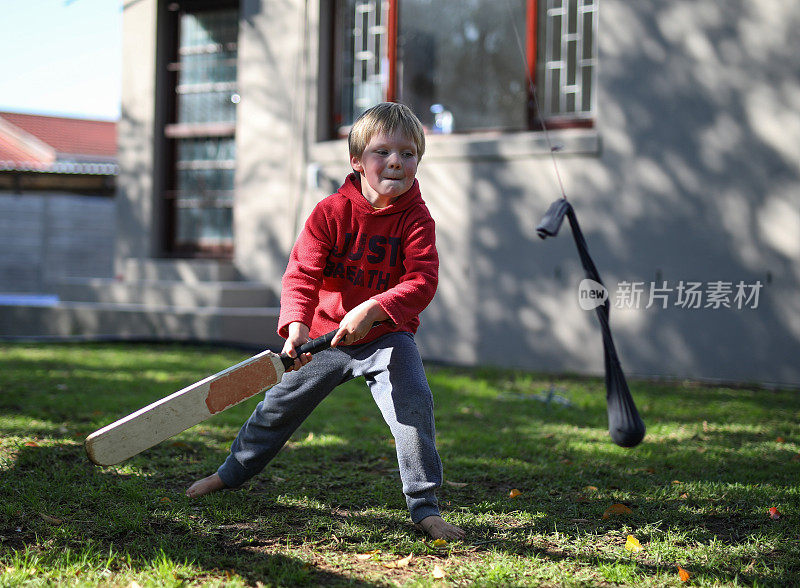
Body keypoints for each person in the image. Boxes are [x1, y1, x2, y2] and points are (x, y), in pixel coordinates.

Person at [186, 102, 465, 541]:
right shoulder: (331, 212)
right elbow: (301, 273)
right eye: (382, 152)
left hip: (387, 336)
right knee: (277, 408)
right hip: (323, 337)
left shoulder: (417, 218)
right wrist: (296, 325)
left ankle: (425, 508)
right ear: (356, 161)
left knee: (414, 409)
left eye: (408, 153)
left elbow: (422, 282)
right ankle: (230, 474)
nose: (396, 161)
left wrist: (374, 309)